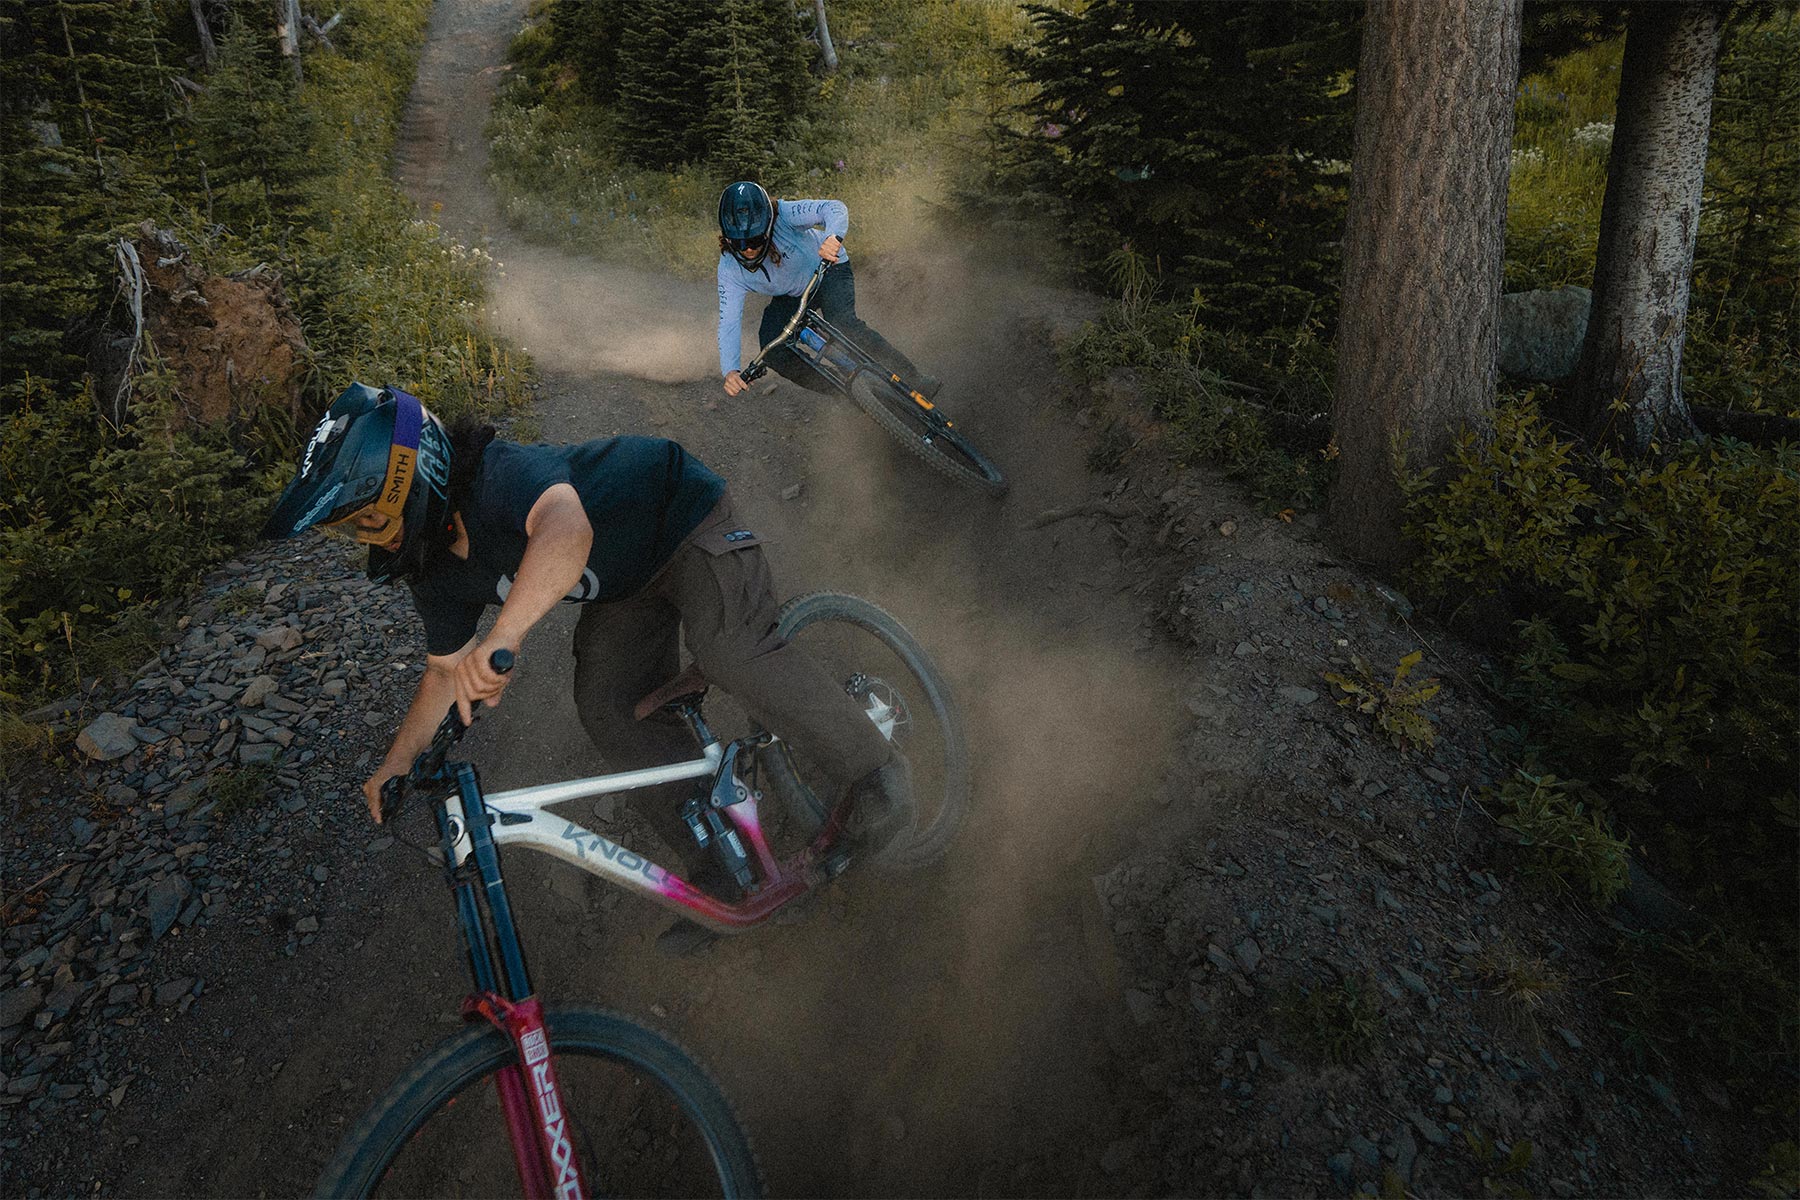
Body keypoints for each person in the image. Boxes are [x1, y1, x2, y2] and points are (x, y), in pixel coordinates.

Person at [260, 383, 911, 951]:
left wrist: (505, 638)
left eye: (369, 518)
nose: (370, 537)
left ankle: (876, 773)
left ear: (412, 476)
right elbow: (443, 673)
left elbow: (566, 532)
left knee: (727, 650)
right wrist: (396, 764)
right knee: (609, 705)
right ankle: (721, 862)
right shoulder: (433, 572)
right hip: (628, 587)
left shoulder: (497, 475)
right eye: (355, 530)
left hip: (686, 524)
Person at [715, 180, 940, 400]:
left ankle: (916, 380)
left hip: (828, 269)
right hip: (792, 294)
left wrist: (833, 236)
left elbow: (833, 207)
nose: (749, 250)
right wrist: (730, 371)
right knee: (773, 350)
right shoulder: (728, 269)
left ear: (767, 226)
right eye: (739, 243)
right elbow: (729, 321)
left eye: (755, 240)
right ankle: (848, 393)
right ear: (727, 238)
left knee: (844, 324)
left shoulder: (784, 213)